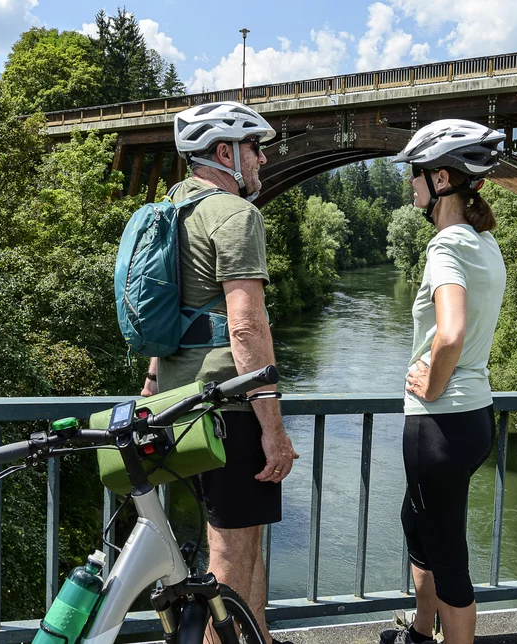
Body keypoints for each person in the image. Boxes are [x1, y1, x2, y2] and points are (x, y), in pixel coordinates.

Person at [149, 100, 299, 641]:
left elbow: (168, 316)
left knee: (240, 539)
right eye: (254, 148)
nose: (261, 159)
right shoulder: (237, 215)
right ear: (224, 153)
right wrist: (273, 428)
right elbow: (245, 328)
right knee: (231, 552)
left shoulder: (170, 212)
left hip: (173, 404)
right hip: (228, 405)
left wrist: (149, 391)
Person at [382, 119, 508, 644]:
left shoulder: (445, 246)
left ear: (440, 180)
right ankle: (419, 629)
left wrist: (430, 384)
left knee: (449, 556)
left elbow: (451, 333)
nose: (409, 183)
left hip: (440, 423)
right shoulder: (485, 243)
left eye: (415, 174)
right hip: (474, 419)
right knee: (418, 520)